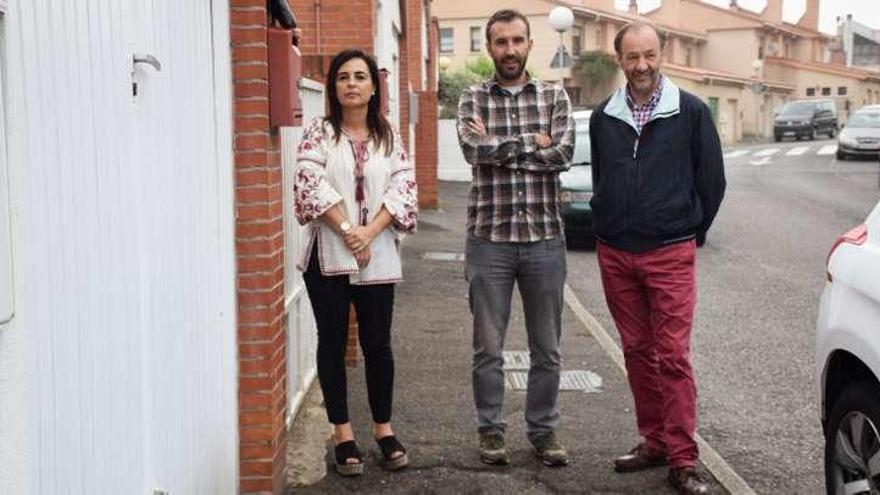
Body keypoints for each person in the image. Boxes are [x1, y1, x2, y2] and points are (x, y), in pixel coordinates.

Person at [588, 22, 726, 495]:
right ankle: (654, 441)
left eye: (649, 55)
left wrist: (689, 230)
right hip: (616, 254)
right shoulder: (603, 115)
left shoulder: (691, 111)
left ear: (661, 53)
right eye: (633, 57)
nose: (642, 66)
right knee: (636, 353)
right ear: (619, 59)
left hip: (669, 251)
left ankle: (684, 459)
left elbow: (713, 181)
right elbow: (603, 177)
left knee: (672, 357)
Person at [456, 8, 574, 468]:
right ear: (490, 47)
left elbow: (563, 153)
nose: (510, 50)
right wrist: (533, 142)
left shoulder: (554, 96)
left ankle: (543, 432)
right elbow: (471, 149)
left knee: (547, 348)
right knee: (488, 348)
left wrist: (502, 145)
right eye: (501, 42)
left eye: (517, 41)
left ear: (530, 44)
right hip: (489, 241)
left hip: (544, 239)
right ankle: (491, 432)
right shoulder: (471, 97)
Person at [293, 49, 418, 476]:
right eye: (343, 76)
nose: (351, 83)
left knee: (378, 344)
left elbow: (404, 185)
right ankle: (342, 432)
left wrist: (369, 232)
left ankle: (383, 428)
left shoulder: (389, 136)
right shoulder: (319, 132)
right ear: (333, 87)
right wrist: (349, 229)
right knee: (331, 340)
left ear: (372, 86)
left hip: (377, 252)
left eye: (359, 76)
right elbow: (308, 181)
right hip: (327, 254)